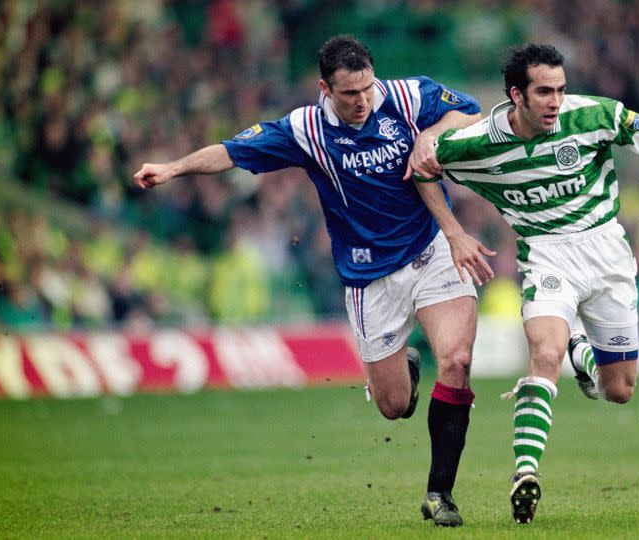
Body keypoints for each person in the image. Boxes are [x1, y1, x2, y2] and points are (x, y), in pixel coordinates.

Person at [134, 35, 495, 527]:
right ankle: (401, 373)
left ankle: (440, 493)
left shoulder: (408, 96)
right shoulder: (305, 129)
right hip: (370, 277)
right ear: (325, 88)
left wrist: (431, 134)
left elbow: (470, 111)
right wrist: (173, 168)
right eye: (350, 94)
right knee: (393, 407)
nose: (363, 101)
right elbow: (232, 151)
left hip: (433, 251)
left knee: (457, 359)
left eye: (367, 88)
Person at [413, 43, 639, 524]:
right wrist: (454, 232)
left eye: (560, 90)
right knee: (544, 352)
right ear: (516, 95)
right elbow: (421, 170)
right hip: (545, 255)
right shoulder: (479, 142)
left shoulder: (592, 116)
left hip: (607, 254)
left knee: (620, 389)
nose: (555, 101)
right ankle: (526, 474)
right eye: (544, 91)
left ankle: (581, 353)